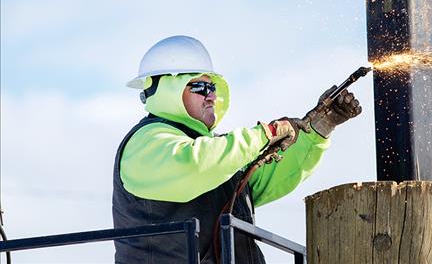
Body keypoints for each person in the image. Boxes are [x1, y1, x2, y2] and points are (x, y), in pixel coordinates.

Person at [112, 35, 362, 264]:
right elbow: (194, 165)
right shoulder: (146, 142)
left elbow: (266, 176)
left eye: (212, 88)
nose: (210, 96)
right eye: (200, 87)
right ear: (168, 90)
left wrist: (319, 129)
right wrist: (266, 134)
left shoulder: (220, 154)